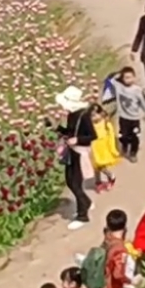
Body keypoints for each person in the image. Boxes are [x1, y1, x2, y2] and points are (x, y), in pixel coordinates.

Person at [55, 86, 96, 228]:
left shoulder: (83, 115)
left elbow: (92, 136)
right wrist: (57, 129)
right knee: (70, 181)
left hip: (79, 152)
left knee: (76, 184)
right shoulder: (72, 115)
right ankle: (86, 202)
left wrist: (77, 140)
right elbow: (70, 131)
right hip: (71, 151)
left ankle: (82, 215)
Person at [106, 64, 145, 160]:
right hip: (123, 117)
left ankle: (133, 152)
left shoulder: (137, 90)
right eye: (126, 77)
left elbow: (142, 102)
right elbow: (111, 79)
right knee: (123, 135)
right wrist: (119, 74)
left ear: (134, 77)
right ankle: (124, 145)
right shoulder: (119, 87)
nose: (128, 79)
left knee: (135, 136)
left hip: (135, 118)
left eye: (130, 77)